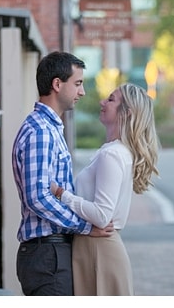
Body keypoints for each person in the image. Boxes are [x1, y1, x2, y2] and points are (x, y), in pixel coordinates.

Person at [11, 51, 113, 295]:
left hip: (51, 253)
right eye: (77, 83)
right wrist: (85, 227)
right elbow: (37, 197)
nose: (82, 92)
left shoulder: (49, 128)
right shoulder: (41, 131)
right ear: (57, 84)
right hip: (47, 255)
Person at [53, 81, 161, 295]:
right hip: (94, 248)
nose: (102, 102)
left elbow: (102, 215)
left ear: (126, 113)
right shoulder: (115, 151)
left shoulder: (112, 154)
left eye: (111, 99)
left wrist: (60, 194)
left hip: (98, 250)